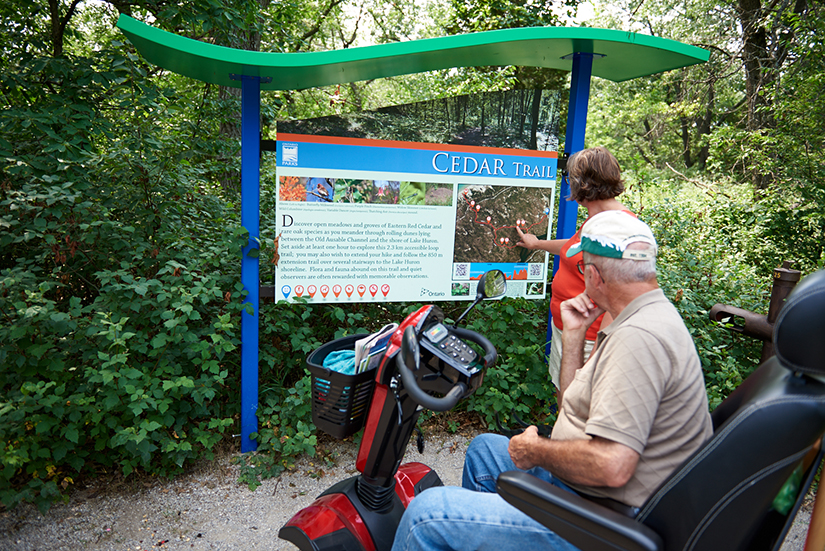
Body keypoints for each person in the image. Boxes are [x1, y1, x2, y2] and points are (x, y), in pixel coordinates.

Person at [391, 211, 713, 551]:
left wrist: (536, 451)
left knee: (426, 516)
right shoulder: (641, 316)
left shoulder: (639, 338)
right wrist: (573, 336)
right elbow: (573, 410)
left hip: (610, 521)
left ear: (593, 275)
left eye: (581, 269)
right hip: (596, 495)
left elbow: (611, 466)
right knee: (485, 450)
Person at [516, 147, 632, 391]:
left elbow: (617, 301)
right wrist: (536, 243)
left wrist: (596, 356)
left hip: (588, 341)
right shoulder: (599, 218)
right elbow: (574, 247)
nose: (569, 185)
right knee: (565, 398)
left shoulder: (618, 227)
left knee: (576, 408)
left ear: (583, 184)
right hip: (569, 331)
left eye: (570, 178)